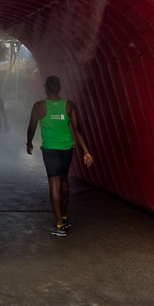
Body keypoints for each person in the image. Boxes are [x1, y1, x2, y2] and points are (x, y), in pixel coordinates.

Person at [26, 75, 93, 237]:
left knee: (54, 184)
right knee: (64, 181)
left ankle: (59, 224)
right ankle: (63, 216)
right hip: (67, 148)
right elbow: (77, 129)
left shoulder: (39, 106)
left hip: (50, 149)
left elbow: (32, 126)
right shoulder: (69, 105)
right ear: (59, 88)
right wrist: (86, 151)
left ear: (46, 88)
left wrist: (29, 142)